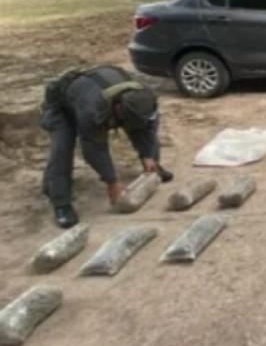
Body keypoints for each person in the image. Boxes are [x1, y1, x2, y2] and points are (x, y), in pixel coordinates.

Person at [41, 65, 172, 229]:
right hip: (62, 105)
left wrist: (149, 155)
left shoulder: (145, 98)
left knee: (140, 131)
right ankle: (61, 202)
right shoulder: (93, 110)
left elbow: (147, 128)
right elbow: (93, 149)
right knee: (62, 148)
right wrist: (112, 181)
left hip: (95, 97)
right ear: (117, 109)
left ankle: (153, 166)